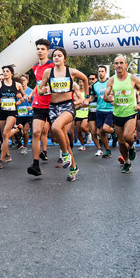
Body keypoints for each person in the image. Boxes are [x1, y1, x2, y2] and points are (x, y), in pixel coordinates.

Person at [38, 48, 89, 181]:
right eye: (54, 56)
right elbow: (40, 91)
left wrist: (87, 97)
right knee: (64, 140)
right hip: (53, 107)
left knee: (55, 127)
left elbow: (85, 78)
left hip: (68, 106)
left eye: (59, 56)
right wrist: (43, 90)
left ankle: (65, 155)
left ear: (64, 58)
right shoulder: (48, 72)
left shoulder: (71, 72)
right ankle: (73, 168)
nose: (56, 58)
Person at [104, 55, 140, 173]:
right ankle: (127, 162)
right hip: (117, 113)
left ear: (126, 65)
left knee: (128, 137)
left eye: (121, 63)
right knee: (121, 141)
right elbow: (105, 97)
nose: (119, 65)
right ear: (114, 66)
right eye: (116, 63)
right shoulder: (111, 80)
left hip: (130, 112)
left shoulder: (132, 78)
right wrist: (110, 99)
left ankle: (132, 147)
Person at [27, 38, 54, 177]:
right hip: (38, 104)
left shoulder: (53, 66)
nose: (40, 51)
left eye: (43, 49)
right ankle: (35, 164)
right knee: (36, 132)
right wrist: (33, 93)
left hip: (53, 104)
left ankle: (67, 156)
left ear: (48, 51)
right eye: (38, 49)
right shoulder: (35, 67)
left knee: (56, 134)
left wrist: (49, 88)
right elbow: (39, 84)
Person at [0, 65, 25, 169]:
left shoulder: (18, 85)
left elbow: (24, 97)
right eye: (3, 71)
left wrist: (19, 100)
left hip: (12, 112)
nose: (5, 73)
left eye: (7, 71)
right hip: (2, 111)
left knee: (6, 133)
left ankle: (1, 160)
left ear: (11, 73)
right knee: (3, 136)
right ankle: (8, 155)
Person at [91, 65, 114, 158]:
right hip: (99, 110)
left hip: (110, 110)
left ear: (105, 72)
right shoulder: (95, 85)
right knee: (100, 132)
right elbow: (92, 97)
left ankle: (115, 132)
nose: (100, 73)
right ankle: (108, 150)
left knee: (105, 129)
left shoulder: (110, 82)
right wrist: (85, 100)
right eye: (99, 71)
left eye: (102, 71)